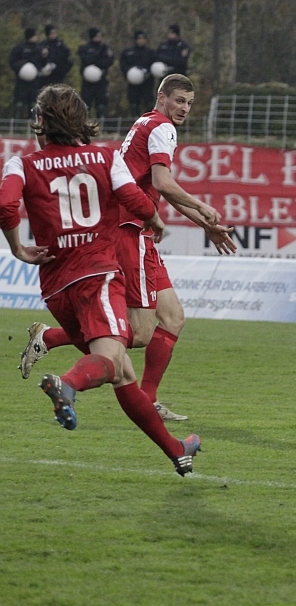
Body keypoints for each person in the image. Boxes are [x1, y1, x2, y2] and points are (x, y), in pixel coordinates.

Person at [0, 84, 201, 476]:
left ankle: (178, 450)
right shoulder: (106, 157)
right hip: (97, 276)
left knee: (123, 371)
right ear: (81, 120)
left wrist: (18, 248)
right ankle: (68, 385)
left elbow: (6, 205)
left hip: (55, 287)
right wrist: (155, 219)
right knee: (112, 357)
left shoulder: (20, 164)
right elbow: (136, 199)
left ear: (41, 121)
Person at [19, 74, 237, 422]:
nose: (184, 108)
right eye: (179, 100)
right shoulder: (162, 127)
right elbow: (163, 182)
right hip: (131, 229)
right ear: (162, 97)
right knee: (138, 333)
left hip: (138, 230)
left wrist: (204, 224)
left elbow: (157, 187)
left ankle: (148, 400)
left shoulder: (146, 123)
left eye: (189, 103)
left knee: (173, 317)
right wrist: (203, 207)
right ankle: (53, 340)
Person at [9, 28, 48, 119]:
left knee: (33, 102)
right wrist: (22, 68)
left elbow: (42, 64)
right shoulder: (20, 48)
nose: (37, 37)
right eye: (35, 35)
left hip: (35, 80)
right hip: (21, 80)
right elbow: (12, 62)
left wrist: (44, 56)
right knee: (19, 102)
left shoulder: (39, 49)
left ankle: (32, 123)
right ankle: (17, 123)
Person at [77, 28, 114, 118]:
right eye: (97, 36)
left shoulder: (105, 48)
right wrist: (96, 57)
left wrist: (97, 63)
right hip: (87, 82)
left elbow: (109, 60)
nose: (99, 37)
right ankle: (84, 123)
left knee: (101, 105)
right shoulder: (84, 48)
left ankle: (101, 123)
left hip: (101, 81)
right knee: (85, 105)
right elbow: (85, 60)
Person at [120, 31, 156, 117]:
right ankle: (135, 120)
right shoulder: (128, 52)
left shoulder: (150, 52)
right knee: (134, 104)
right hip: (133, 83)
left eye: (143, 39)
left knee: (149, 103)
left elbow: (154, 65)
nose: (141, 41)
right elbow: (123, 64)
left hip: (147, 82)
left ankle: (148, 121)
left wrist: (147, 72)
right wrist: (128, 72)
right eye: (139, 39)